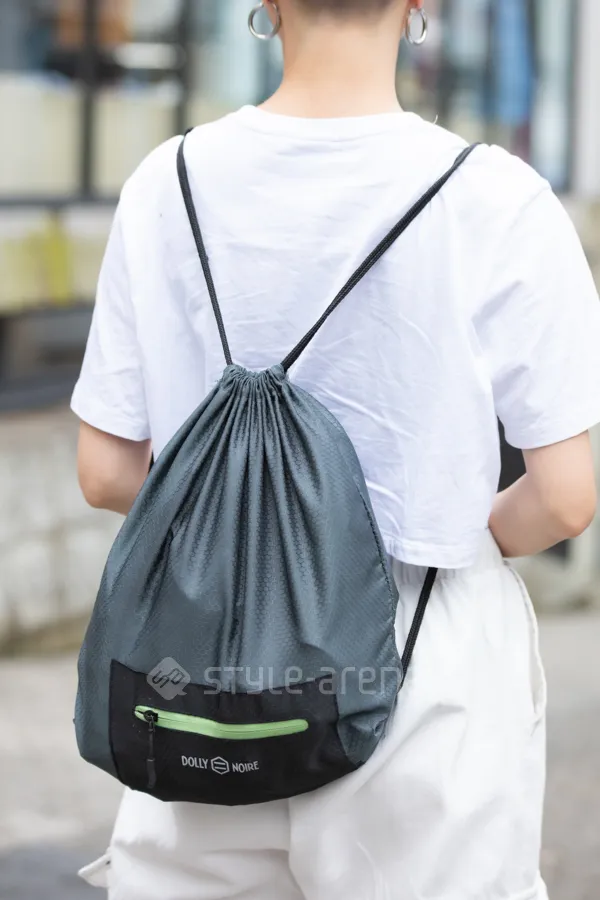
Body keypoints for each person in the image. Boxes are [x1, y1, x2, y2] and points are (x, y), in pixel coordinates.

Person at [71, 1, 600, 898]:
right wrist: (445, 532)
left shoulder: (167, 182)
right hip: (421, 646)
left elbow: (106, 471)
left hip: (194, 658)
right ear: (418, 4)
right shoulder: (496, 198)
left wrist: (239, 529)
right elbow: (566, 496)